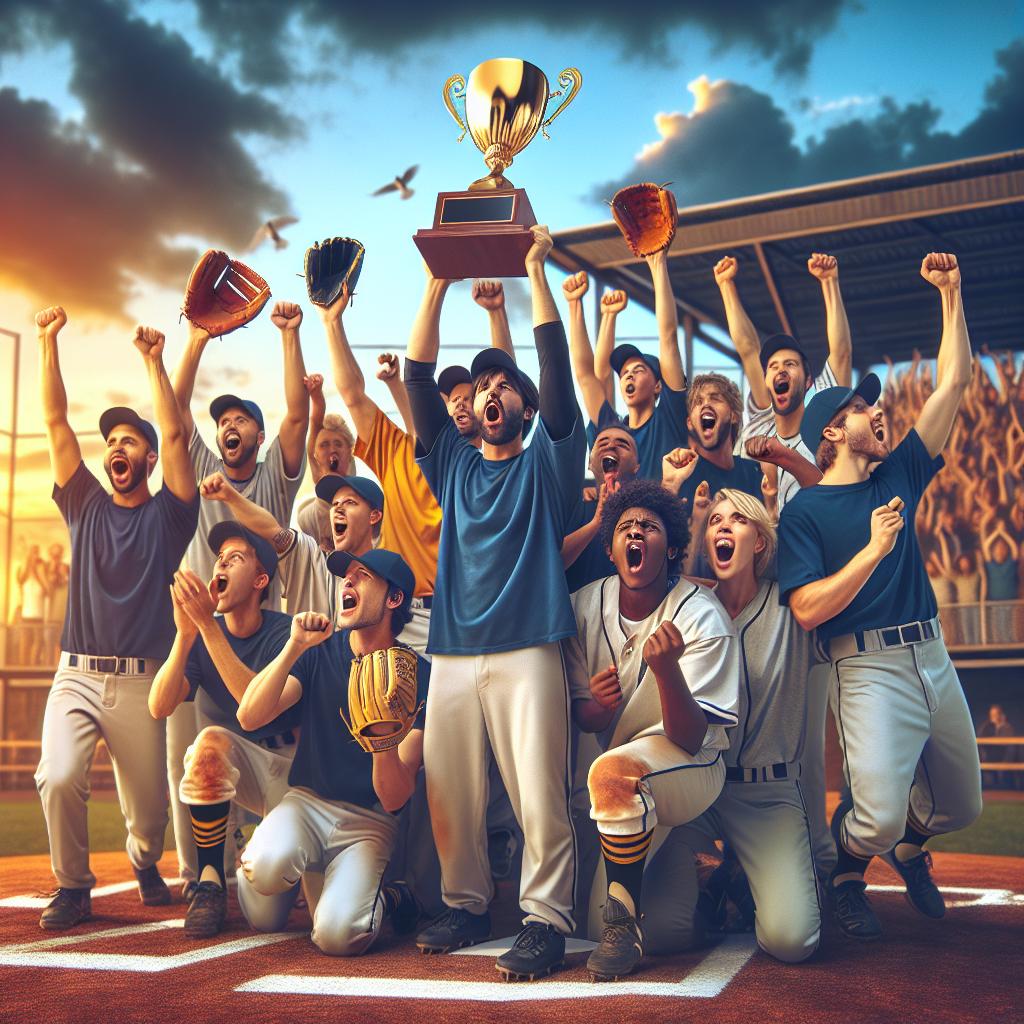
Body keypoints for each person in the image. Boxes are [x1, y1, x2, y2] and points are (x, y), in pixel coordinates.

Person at [778, 253, 983, 940]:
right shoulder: (805, 514)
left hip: (931, 652)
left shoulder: (897, 471)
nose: (878, 411)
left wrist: (951, 296)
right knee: (875, 816)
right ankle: (849, 862)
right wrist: (871, 551)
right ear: (832, 430)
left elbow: (953, 380)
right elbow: (806, 609)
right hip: (863, 668)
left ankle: (909, 850)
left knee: (962, 803)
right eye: (863, 408)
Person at [404, 225, 584, 981]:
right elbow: (417, 377)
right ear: (471, 408)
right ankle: (467, 901)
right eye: (482, 386)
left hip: (527, 648)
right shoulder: (452, 462)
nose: (491, 390)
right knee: (451, 790)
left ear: (524, 402)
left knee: (538, 793)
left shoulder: (548, 460)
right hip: (452, 650)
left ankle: (545, 919)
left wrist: (534, 272)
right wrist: (438, 280)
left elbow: (558, 374)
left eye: (505, 383)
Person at [33, 307, 199, 929]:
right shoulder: (83, 504)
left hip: (140, 683)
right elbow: (54, 421)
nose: (115, 447)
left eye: (130, 441)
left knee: (150, 819)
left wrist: (155, 362)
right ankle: (73, 887)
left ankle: (142, 859)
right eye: (112, 442)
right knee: (58, 775)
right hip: (75, 676)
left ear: (150, 460)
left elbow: (180, 437)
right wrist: (48, 342)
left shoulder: (169, 517)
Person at [569, 479, 738, 980]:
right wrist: (597, 709)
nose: (636, 532)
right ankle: (706, 885)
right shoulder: (583, 606)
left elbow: (688, 738)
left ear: (672, 547)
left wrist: (668, 672)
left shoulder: (701, 614)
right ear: (611, 547)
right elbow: (584, 718)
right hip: (626, 784)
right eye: (625, 527)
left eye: (649, 526)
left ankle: (623, 929)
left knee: (615, 774)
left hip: (691, 768)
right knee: (662, 931)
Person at [169, 301, 310, 896]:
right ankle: (202, 874)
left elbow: (298, 419)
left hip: (264, 626)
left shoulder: (276, 475)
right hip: (207, 627)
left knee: (266, 723)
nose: (228, 426)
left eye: (240, 420)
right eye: (221, 419)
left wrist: (288, 335)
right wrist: (196, 340)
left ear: (256, 433)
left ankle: (274, 841)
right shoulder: (202, 461)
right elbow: (174, 419)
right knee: (201, 751)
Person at [235, 549, 428, 956]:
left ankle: (391, 898)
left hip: (369, 823)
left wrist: (382, 738)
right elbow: (249, 716)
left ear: (394, 599)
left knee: (337, 938)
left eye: (362, 576)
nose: (347, 583)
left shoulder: (419, 676)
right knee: (265, 909)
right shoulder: (320, 652)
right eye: (346, 577)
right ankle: (280, 866)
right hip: (306, 804)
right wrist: (293, 646)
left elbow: (394, 797)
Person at [148, 522, 299, 938]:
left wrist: (207, 626)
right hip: (241, 768)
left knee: (268, 918)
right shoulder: (201, 636)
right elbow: (159, 705)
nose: (222, 564)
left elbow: (255, 706)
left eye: (236, 558)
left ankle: (280, 857)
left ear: (260, 580)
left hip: (292, 773)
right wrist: (185, 633)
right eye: (219, 559)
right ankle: (210, 881)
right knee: (208, 745)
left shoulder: (283, 631)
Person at [570, 253, 689, 481]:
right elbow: (589, 375)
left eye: (639, 370)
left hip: (662, 516)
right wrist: (575, 304)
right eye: (624, 374)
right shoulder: (611, 432)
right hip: (614, 517)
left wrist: (657, 264)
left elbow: (669, 337)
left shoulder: (669, 419)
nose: (628, 377)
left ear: (658, 386)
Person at [563, 425, 640, 593]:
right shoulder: (572, 506)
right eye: (602, 442)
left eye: (622, 444)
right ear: (590, 464)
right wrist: (597, 521)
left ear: (636, 466)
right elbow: (551, 564)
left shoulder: (647, 514)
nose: (611, 446)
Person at [16, 544, 48, 665]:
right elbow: (19, 583)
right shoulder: (23, 575)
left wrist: (40, 574)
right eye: (32, 552)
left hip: (38, 615)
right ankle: (22, 667)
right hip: (25, 615)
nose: (35, 555)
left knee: (38, 642)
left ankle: (33, 666)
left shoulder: (41, 576)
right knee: (25, 642)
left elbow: (48, 591)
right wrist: (28, 566)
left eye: (36, 552)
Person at [977, 704, 1017, 790]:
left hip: (1004, 756)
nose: (993, 717)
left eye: (995, 714)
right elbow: (980, 737)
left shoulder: (1007, 727)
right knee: (978, 760)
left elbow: (1004, 743)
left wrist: (999, 726)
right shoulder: (987, 726)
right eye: (992, 715)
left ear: (1000, 715)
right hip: (989, 757)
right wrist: (989, 724)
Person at [43, 542, 70, 663]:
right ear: (50, 555)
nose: (56, 558)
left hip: (62, 614)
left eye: (58, 555)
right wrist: (51, 570)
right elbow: (47, 588)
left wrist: (64, 575)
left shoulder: (65, 568)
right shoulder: (45, 567)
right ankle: (47, 666)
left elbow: (70, 586)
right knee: (47, 643)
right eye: (54, 555)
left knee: (61, 643)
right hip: (48, 614)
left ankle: (57, 667)